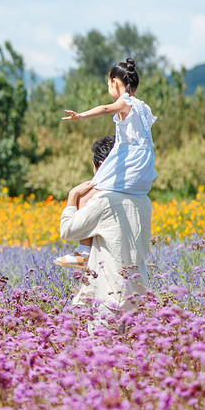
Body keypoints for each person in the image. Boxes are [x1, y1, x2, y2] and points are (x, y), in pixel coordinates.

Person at [56, 57, 157, 268]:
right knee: (94, 192)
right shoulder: (144, 108)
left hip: (128, 164)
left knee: (86, 195)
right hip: (143, 170)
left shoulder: (126, 101)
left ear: (115, 83)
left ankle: (83, 251)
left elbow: (105, 109)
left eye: (108, 84)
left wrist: (81, 115)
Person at [59, 136, 152, 317]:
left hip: (108, 300)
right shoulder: (144, 200)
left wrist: (72, 196)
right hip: (138, 297)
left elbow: (68, 231)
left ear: (101, 165)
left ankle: (81, 252)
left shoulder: (104, 200)